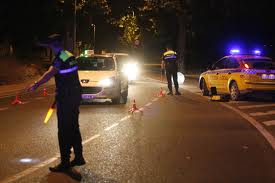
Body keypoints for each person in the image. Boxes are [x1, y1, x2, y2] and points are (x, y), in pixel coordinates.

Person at [27, 34, 85, 174]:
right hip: (74, 95)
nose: (50, 47)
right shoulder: (69, 55)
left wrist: (36, 84)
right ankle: (78, 157)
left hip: (66, 98)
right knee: (73, 127)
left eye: (51, 44)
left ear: (56, 44)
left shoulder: (60, 58)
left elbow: (50, 73)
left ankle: (65, 163)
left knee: (64, 131)